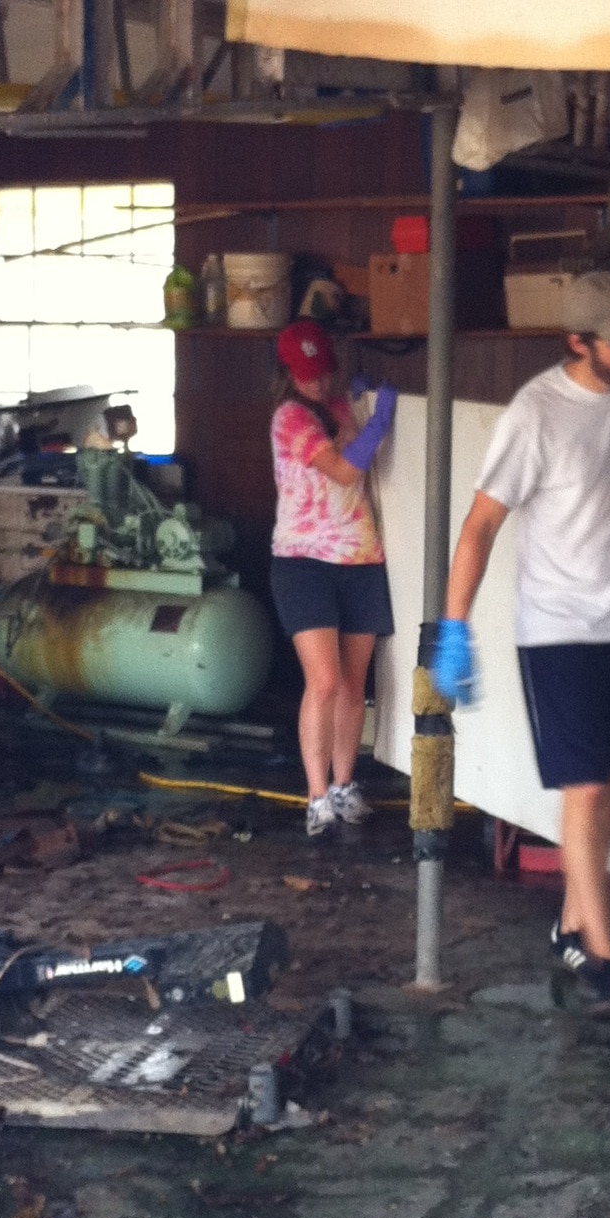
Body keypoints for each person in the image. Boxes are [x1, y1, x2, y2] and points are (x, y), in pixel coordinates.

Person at [431, 271, 610, 1016]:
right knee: (585, 788)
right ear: (578, 342)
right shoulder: (537, 413)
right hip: (558, 631)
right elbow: (481, 525)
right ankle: (605, 957)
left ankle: (570, 923)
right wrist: (454, 627)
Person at [269, 319, 397, 838]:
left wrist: (360, 409)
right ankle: (316, 796)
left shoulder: (339, 406)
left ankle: (343, 785)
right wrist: (379, 423)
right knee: (323, 681)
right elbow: (344, 471)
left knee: (352, 685)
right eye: (307, 374)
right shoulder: (289, 417)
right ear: (287, 374)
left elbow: (349, 435)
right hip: (303, 561)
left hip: (360, 558)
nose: (318, 382)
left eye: (324, 371)